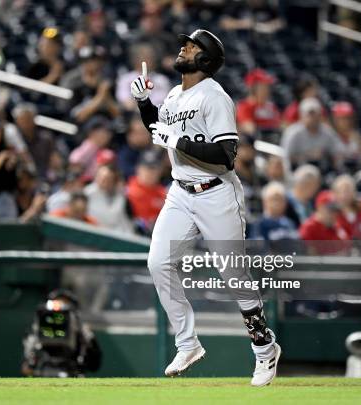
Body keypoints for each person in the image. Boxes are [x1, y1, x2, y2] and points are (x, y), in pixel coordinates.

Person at [131, 29, 280, 385]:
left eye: (193, 46)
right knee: (158, 262)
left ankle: (264, 347)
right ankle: (188, 343)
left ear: (207, 60)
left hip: (216, 192)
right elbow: (159, 130)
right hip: (181, 191)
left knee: (233, 275)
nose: (184, 47)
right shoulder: (173, 94)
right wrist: (144, 105)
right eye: (186, 43)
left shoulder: (215, 97)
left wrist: (176, 139)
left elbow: (226, 156)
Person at [59, 46, 120, 123]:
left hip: (106, 126)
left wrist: (106, 96)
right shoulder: (74, 83)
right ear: (83, 63)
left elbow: (118, 114)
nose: (95, 65)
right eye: (90, 61)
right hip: (83, 129)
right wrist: (100, 96)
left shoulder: (106, 84)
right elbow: (77, 117)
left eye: (98, 61)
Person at [281, 98, 343, 172]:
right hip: (297, 171)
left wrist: (326, 156)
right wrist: (307, 156)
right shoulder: (293, 132)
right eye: (309, 114)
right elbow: (286, 157)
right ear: (301, 115)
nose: (312, 118)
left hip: (322, 171)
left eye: (315, 114)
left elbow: (338, 152)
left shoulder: (327, 131)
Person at [116, 43, 171, 111]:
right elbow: (126, 103)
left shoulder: (162, 80)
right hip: (133, 117)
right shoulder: (125, 79)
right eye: (146, 57)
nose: (150, 60)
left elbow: (163, 103)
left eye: (151, 57)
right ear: (136, 60)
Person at [84, 165, 134, 233]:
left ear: (114, 181)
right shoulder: (87, 193)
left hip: (113, 236)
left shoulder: (121, 198)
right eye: (100, 176)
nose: (102, 180)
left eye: (107, 178)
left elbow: (126, 222)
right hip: (90, 232)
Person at [125, 151, 167, 233]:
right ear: (138, 168)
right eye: (146, 168)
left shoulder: (165, 195)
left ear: (160, 171)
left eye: (154, 169)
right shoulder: (126, 190)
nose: (149, 173)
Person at [12, 104, 54, 179]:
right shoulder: (13, 140)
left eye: (28, 119)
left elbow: (53, 160)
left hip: (45, 176)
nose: (26, 123)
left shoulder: (45, 138)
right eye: (22, 120)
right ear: (17, 121)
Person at [236, 68, 281, 138]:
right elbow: (249, 128)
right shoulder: (244, 106)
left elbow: (279, 124)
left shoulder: (271, 106)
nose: (267, 90)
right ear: (253, 88)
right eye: (263, 87)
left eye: (267, 86)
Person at [331, 102, 361, 170]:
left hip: (358, 171)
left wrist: (360, 144)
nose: (347, 121)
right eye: (343, 118)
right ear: (336, 120)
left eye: (349, 118)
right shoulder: (330, 136)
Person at [332, 174, 361, 240]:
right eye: (343, 191)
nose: (346, 195)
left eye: (349, 191)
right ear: (336, 193)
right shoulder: (333, 213)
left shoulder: (360, 209)